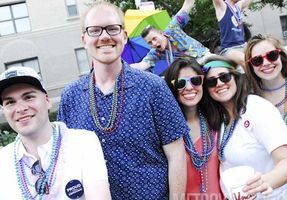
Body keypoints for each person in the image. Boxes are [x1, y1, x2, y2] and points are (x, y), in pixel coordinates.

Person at [57, 1, 189, 199]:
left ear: (124, 36)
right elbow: (67, 161)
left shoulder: (153, 87)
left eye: (112, 28)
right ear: (84, 39)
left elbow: (176, 155)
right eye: (94, 30)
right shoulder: (71, 96)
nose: (104, 36)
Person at [0, 66, 111, 200]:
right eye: (10, 102)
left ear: (47, 101)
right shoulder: (3, 160)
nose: (20, 108)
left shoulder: (84, 142)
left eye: (28, 97)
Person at [201, 55, 287, 199]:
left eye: (224, 77)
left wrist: (265, 182)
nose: (219, 84)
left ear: (235, 77)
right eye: (211, 82)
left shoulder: (257, 108)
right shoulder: (219, 119)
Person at [164, 57, 223, 199]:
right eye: (181, 83)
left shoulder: (217, 120)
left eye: (195, 80)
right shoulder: (166, 130)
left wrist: (210, 57)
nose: (189, 87)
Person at [130, 0, 210, 72]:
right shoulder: (156, 53)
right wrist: (122, 67)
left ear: (161, 33)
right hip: (190, 71)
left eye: (154, 38)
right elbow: (141, 65)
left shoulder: (172, 28)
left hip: (203, 57)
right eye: (150, 43)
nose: (153, 43)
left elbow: (186, 6)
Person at [244, 34, 287, 140]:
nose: (266, 63)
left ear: (281, 56)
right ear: (250, 66)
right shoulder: (250, 99)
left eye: (272, 55)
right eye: (257, 60)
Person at [212, 0, 252, 68]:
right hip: (229, 49)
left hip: (243, 46)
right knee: (245, 61)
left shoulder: (238, 6)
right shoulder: (222, 6)